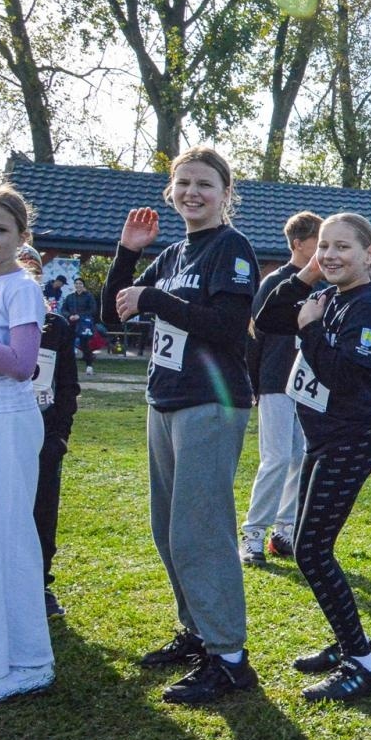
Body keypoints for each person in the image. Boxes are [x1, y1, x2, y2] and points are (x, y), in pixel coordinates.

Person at [102, 146, 259, 705]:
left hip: (210, 403)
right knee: (167, 529)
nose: (193, 192)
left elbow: (227, 326)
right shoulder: (171, 254)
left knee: (200, 530)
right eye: (183, 183)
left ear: (224, 194)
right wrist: (126, 255)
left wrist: (155, 299)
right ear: (171, 191)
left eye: (205, 184)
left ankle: (230, 658)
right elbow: (110, 311)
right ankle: (197, 633)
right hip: (163, 399)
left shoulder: (231, 246)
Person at [255, 213, 371, 701]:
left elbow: (347, 376)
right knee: (311, 546)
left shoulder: (370, 306)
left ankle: (362, 660)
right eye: (324, 247)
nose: (331, 255)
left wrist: (312, 330)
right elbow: (267, 318)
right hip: (325, 437)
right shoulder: (328, 293)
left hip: (352, 438)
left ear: (369, 254)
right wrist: (308, 275)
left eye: (343, 248)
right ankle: (346, 644)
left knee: (312, 550)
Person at [0, 184, 55, 703]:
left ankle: (26, 661)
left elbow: (22, 366)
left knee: (4, 541)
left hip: (5, 418)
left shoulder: (21, 288)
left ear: (21, 237)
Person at [242, 211, 322, 565]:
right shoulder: (275, 282)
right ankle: (252, 535)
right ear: (298, 244)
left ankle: (284, 530)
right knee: (275, 458)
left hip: (307, 386)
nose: (325, 250)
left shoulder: (322, 287)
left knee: (300, 457)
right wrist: (254, 383)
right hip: (275, 381)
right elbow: (253, 335)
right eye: (318, 243)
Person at [18, 243, 80, 620]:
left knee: (42, 510)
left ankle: (40, 585)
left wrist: (60, 434)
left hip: (43, 433)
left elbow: (67, 385)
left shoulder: (54, 327)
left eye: (32, 270)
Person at [61, 278, 100, 375]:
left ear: (83, 285)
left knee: (85, 345)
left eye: (80, 283)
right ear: (74, 285)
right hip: (71, 323)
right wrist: (69, 316)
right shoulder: (70, 297)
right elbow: (63, 309)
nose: (78, 285)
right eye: (76, 283)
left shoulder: (88, 296)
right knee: (68, 345)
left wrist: (80, 315)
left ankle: (89, 366)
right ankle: (68, 368)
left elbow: (93, 310)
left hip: (84, 324)